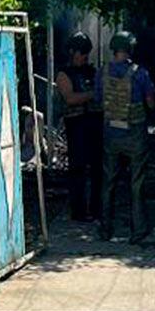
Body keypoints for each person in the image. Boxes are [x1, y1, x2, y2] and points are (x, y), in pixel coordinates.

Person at [97, 31, 155, 244]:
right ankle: (138, 231)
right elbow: (150, 103)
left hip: (111, 134)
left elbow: (98, 99)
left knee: (108, 182)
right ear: (131, 49)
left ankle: (105, 230)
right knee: (136, 182)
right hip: (135, 134)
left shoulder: (102, 73)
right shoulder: (140, 73)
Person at [54, 32, 102, 222]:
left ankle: (97, 208)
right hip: (77, 124)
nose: (84, 57)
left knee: (98, 168)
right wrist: (92, 94)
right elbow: (70, 98)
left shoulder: (91, 71)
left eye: (86, 53)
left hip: (95, 122)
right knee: (78, 169)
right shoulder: (64, 74)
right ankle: (79, 210)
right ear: (72, 52)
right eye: (81, 53)